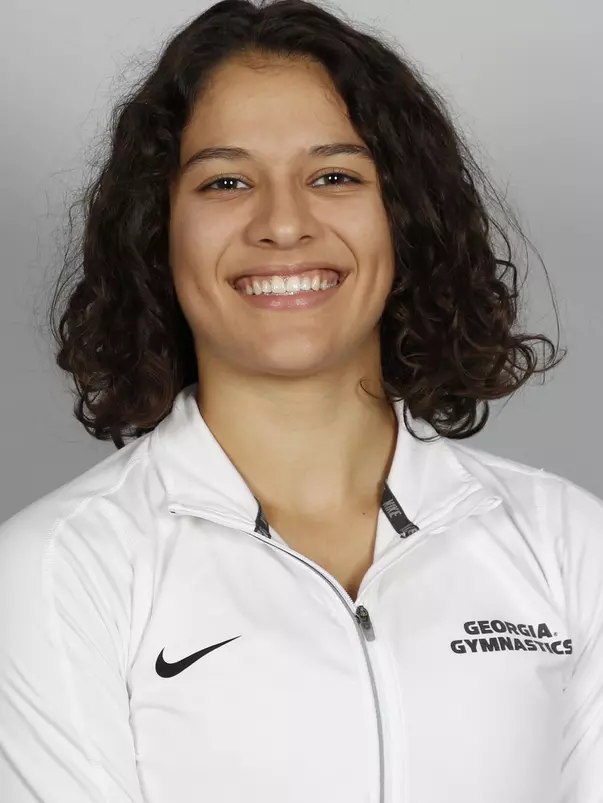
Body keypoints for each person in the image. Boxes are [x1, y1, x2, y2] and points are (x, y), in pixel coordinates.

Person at [0, 0, 601, 800]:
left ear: (404, 219)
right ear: (157, 231)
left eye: (333, 176)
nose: (283, 224)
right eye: (225, 181)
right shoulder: (59, 567)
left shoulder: (567, 543)